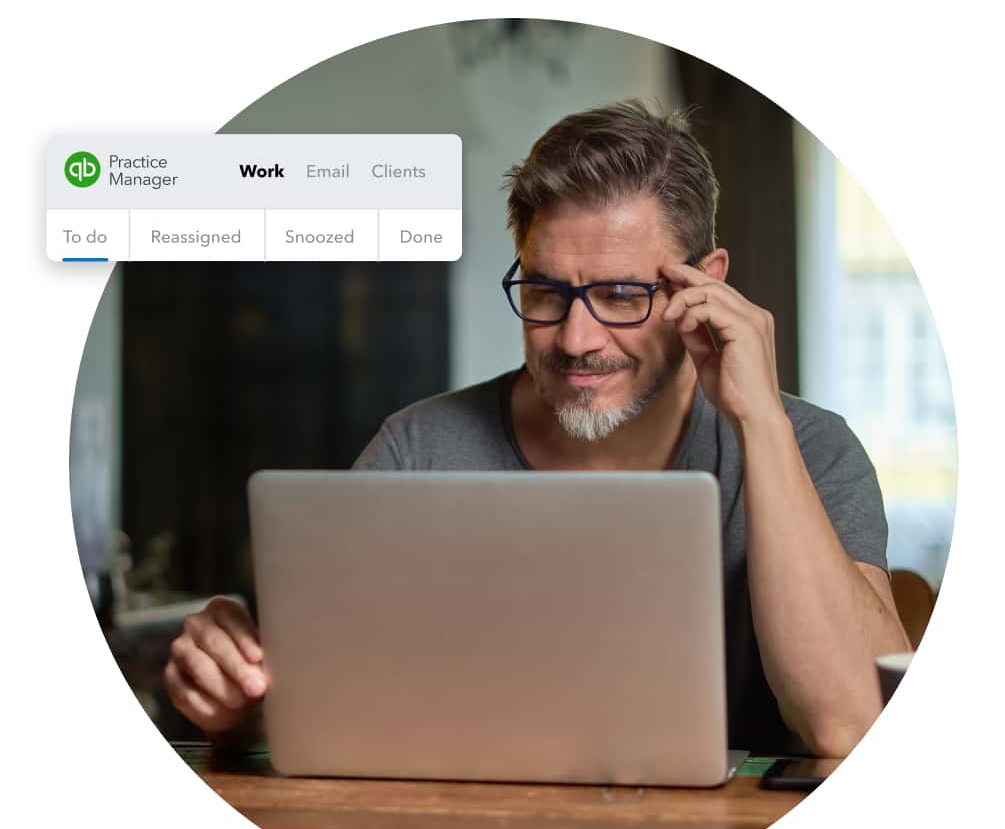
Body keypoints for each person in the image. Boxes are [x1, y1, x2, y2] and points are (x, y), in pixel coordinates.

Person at [164, 100, 910, 757]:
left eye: (621, 295)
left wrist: (758, 422)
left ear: (707, 283)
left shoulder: (808, 447)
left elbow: (847, 726)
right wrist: (239, 698)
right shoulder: (418, 451)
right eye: (546, 291)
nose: (576, 337)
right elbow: (323, 707)